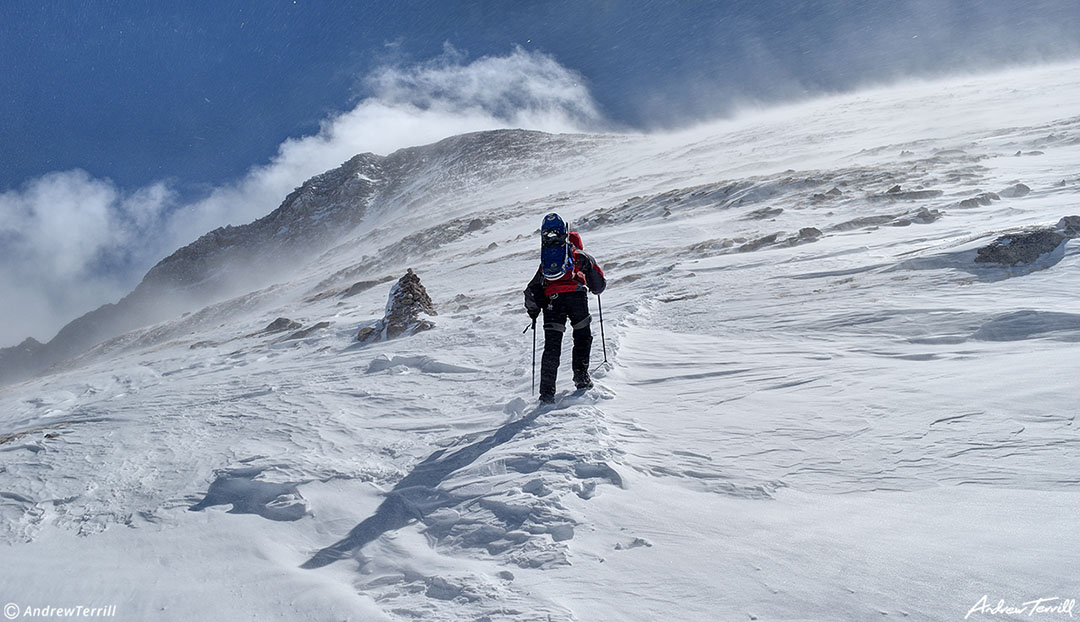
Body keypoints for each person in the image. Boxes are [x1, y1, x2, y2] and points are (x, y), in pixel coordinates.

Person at [523, 214, 606, 403]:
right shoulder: (580, 257)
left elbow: (532, 289)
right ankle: (581, 378)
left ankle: (547, 393)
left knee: (552, 347)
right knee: (582, 337)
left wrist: (534, 311)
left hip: (553, 303)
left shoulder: (547, 262)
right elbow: (599, 286)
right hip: (577, 299)